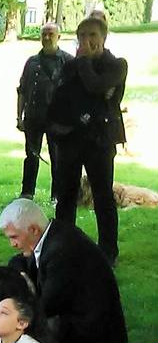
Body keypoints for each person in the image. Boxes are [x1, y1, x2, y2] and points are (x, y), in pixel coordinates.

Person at [0, 199, 126, 343]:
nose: (12, 244)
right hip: (82, 318)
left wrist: (12, 318)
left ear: (33, 230)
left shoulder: (61, 251)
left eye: (14, 237)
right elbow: (18, 261)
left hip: (94, 330)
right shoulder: (52, 235)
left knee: (31, 327)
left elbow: (46, 307)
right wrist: (22, 276)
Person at [46, 16, 127, 264]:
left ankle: (108, 252)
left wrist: (83, 63)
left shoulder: (117, 65)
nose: (87, 41)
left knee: (102, 197)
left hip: (100, 141)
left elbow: (95, 86)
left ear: (104, 37)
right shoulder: (68, 66)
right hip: (70, 140)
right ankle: (63, 247)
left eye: (92, 35)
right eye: (82, 36)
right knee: (66, 196)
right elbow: (60, 99)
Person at [16, 23, 69, 199]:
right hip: (33, 117)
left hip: (58, 120)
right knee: (31, 157)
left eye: (51, 34)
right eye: (44, 34)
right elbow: (22, 90)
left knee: (58, 159)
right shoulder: (32, 62)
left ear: (58, 37)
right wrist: (19, 116)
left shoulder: (68, 61)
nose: (47, 38)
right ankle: (27, 193)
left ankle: (57, 195)